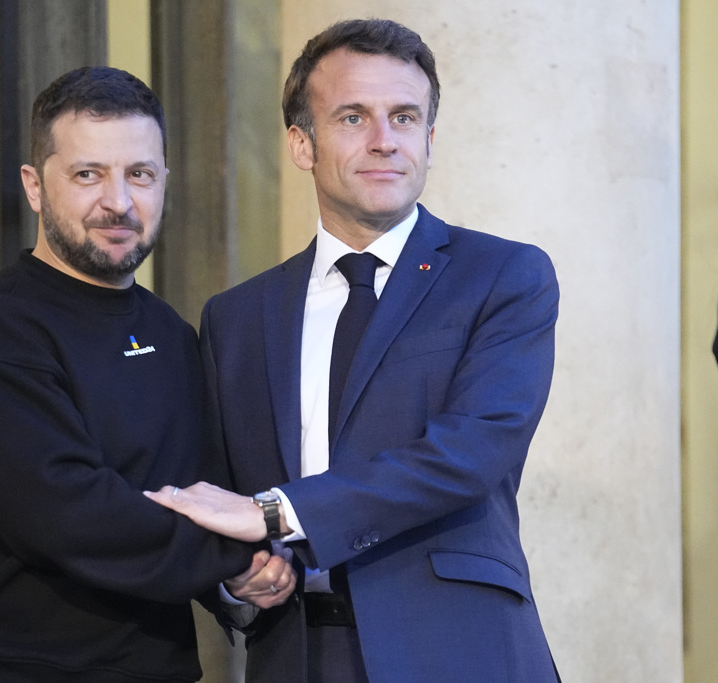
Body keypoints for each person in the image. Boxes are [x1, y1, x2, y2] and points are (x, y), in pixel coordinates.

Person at [145, 18, 561, 683]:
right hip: (294, 654)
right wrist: (236, 579)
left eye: (405, 117)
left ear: (429, 140)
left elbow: (471, 452)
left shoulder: (503, 276)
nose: (384, 140)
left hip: (455, 651)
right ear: (300, 144)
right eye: (352, 117)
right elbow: (224, 496)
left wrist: (275, 513)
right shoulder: (236, 318)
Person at [0, 66, 293, 683]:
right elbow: (73, 516)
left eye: (139, 174)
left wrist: (243, 577)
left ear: (165, 181)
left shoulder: (172, 334)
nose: (118, 202)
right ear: (34, 187)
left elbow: (204, 496)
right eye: (87, 174)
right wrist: (233, 553)